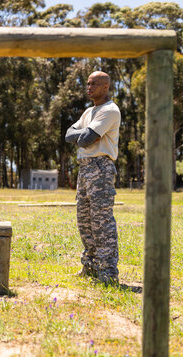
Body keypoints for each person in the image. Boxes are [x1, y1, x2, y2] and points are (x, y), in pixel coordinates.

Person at [65, 71, 121, 285]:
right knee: (85, 221)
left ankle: (108, 272)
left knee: (102, 222)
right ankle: (90, 266)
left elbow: (86, 139)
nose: (88, 87)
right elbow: (68, 134)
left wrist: (82, 135)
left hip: (101, 167)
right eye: (87, 83)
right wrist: (82, 135)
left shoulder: (110, 110)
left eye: (94, 84)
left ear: (105, 87)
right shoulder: (90, 111)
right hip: (85, 168)